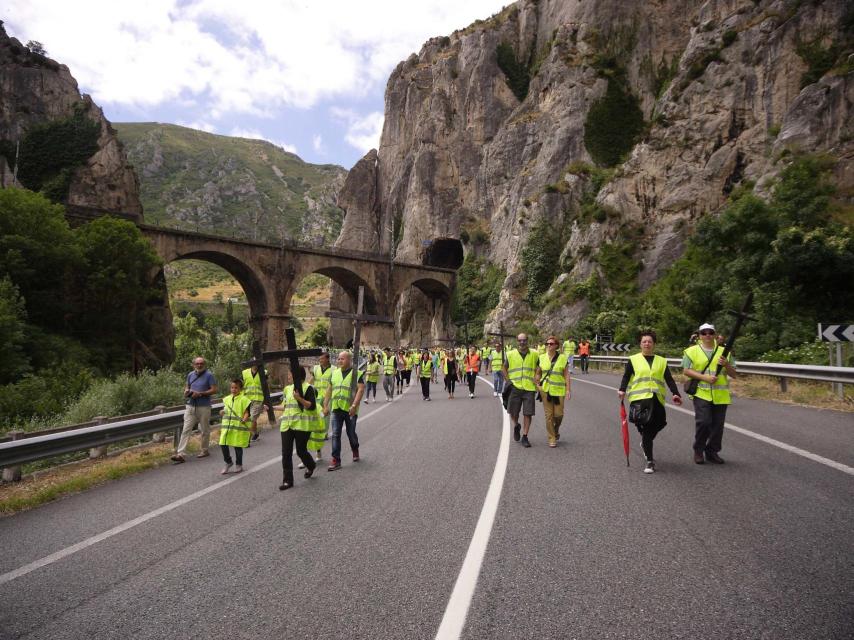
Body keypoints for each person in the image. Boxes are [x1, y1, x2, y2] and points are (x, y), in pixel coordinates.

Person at [617, 331, 683, 473]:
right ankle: (649, 461)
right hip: (640, 399)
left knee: (660, 423)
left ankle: (645, 441)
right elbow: (626, 376)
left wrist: (675, 393)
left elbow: (669, 379)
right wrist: (622, 390)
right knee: (647, 428)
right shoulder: (633, 359)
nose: (647, 344)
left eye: (650, 341)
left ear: (654, 344)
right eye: (644, 341)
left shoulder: (661, 361)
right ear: (640, 344)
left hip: (657, 398)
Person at [683, 323, 737, 465]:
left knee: (718, 426)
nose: (707, 335)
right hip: (701, 392)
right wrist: (704, 378)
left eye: (710, 332)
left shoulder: (725, 352)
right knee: (704, 422)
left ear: (715, 334)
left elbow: (734, 374)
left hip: (720, 395)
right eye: (704, 333)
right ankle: (698, 450)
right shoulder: (691, 351)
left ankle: (712, 451)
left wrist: (726, 365)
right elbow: (686, 370)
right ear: (699, 335)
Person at [276, 366, 319, 490]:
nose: (288, 376)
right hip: (287, 425)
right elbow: (285, 406)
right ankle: (287, 481)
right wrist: (271, 408)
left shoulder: (308, 388)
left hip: (302, 425)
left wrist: (299, 398)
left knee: (301, 450)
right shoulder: (287, 389)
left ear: (296, 376)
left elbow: (311, 406)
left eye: (289, 374)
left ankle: (310, 465)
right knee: (286, 452)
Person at [323, 351, 365, 471]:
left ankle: (355, 449)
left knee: (351, 433)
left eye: (342, 359)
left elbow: (361, 390)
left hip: (350, 410)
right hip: (336, 408)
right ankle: (336, 460)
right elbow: (329, 390)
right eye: (338, 359)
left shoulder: (357, 373)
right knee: (336, 434)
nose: (339, 361)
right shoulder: (335, 373)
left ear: (349, 360)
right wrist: (325, 405)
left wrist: (354, 405)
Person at [172, 356, 218, 463]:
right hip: (190, 406)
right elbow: (187, 386)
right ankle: (181, 454)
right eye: (197, 363)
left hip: (204, 406)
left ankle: (204, 450)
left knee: (204, 430)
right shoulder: (190, 375)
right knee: (186, 429)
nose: (199, 365)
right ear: (194, 365)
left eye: (201, 363)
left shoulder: (209, 375)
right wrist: (187, 391)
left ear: (204, 364)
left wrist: (201, 394)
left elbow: (214, 389)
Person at [503, 333, 540, 447]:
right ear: (517, 341)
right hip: (515, 387)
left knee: (528, 413)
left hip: (529, 388)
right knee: (513, 412)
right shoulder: (510, 354)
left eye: (524, 340)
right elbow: (504, 368)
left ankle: (525, 436)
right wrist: (509, 381)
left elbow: (539, 367)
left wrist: (537, 376)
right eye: (520, 340)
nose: (522, 342)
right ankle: (516, 426)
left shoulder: (535, 354)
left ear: (527, 341)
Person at [534, 336, 572, 448]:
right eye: (547, 344)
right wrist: (537, 385)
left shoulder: (563, 358)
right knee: (549, 416)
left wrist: (568, 389)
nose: (548, 345)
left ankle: (555, 430)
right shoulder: (541, 357)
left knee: (559, 415)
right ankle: (551, 438)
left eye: (551, 344)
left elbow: (566, 375)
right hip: (545, 390)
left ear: (556, 345)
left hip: (559, 390)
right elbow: (538, 373)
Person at [304, 351, 334, 466]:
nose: (320, 361)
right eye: (319, 359)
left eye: (322, 359)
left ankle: (324, 432)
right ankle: (319, 432)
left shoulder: (333, 369)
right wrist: (306, 387)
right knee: (317, 416)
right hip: (316, 396)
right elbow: (312, 380)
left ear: (328, 359)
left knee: (325, 415)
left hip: (327, 396)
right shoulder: (316, 368)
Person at [219, 378, 253, 474]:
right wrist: (222, 412)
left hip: (238, 427)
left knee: (237, 446)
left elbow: (247, 412)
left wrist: (245, 418)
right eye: (232, 388)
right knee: (222, 444)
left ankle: (239, 464)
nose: (233, 390)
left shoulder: (244, 400)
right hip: (227, 427)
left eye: (236, 388)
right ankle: (228, 462)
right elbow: (225, 410)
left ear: (240, 389)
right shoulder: (227, 399)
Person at [241, 363, 266, 442]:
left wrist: (266, 402)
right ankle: (255, 433)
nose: (255, 364)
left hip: (258, 399)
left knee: (252, 418)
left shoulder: (264, 372)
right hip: (247, 399)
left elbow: (266, 387)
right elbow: (241, 386)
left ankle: (247, 438)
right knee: (249, 418)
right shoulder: (244, 373)